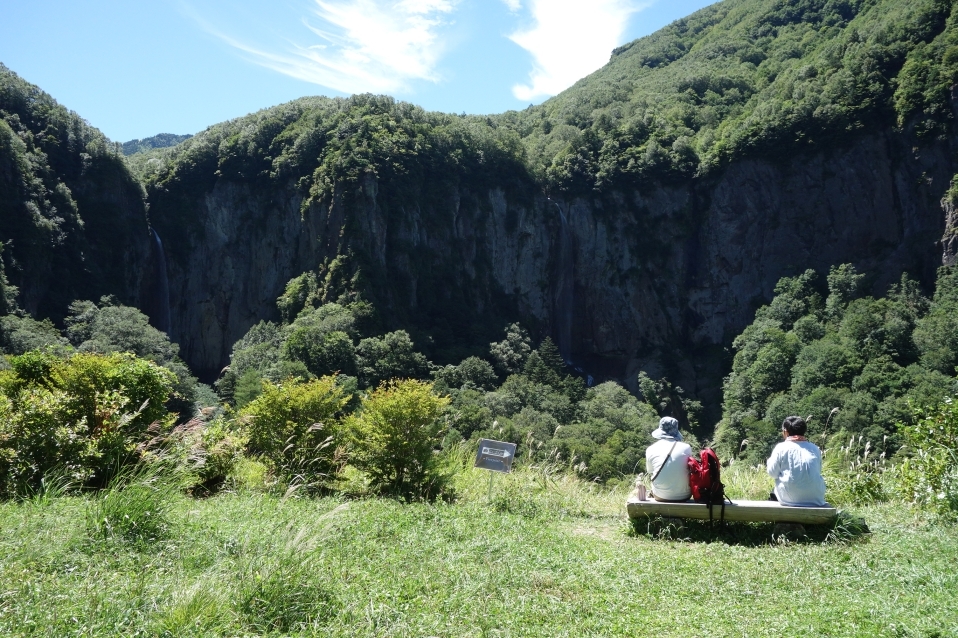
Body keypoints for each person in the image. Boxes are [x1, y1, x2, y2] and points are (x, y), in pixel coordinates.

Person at [766, 416, 827, 506]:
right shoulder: (815, 448)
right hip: (816, 498)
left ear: (785, 431)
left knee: (773, 493)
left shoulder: (781, 448)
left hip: (789, 499)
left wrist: (769, 461)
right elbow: (817, 471)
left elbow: (772, 473)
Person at [646, 416, 692, 501]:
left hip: (660, 496)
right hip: (684, 496)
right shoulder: (686, 447)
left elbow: (650, 471)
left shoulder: (650, 449)